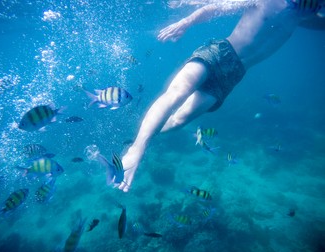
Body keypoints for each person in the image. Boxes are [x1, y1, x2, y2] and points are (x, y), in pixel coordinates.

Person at [118, 0, 325, 192]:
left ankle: (143, 135)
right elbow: (214, 8)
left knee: (179, 120)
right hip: (221, 52)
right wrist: (186, 22)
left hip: (234, 73)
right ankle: (137, 148)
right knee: (176, 93)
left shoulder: (303, 16)